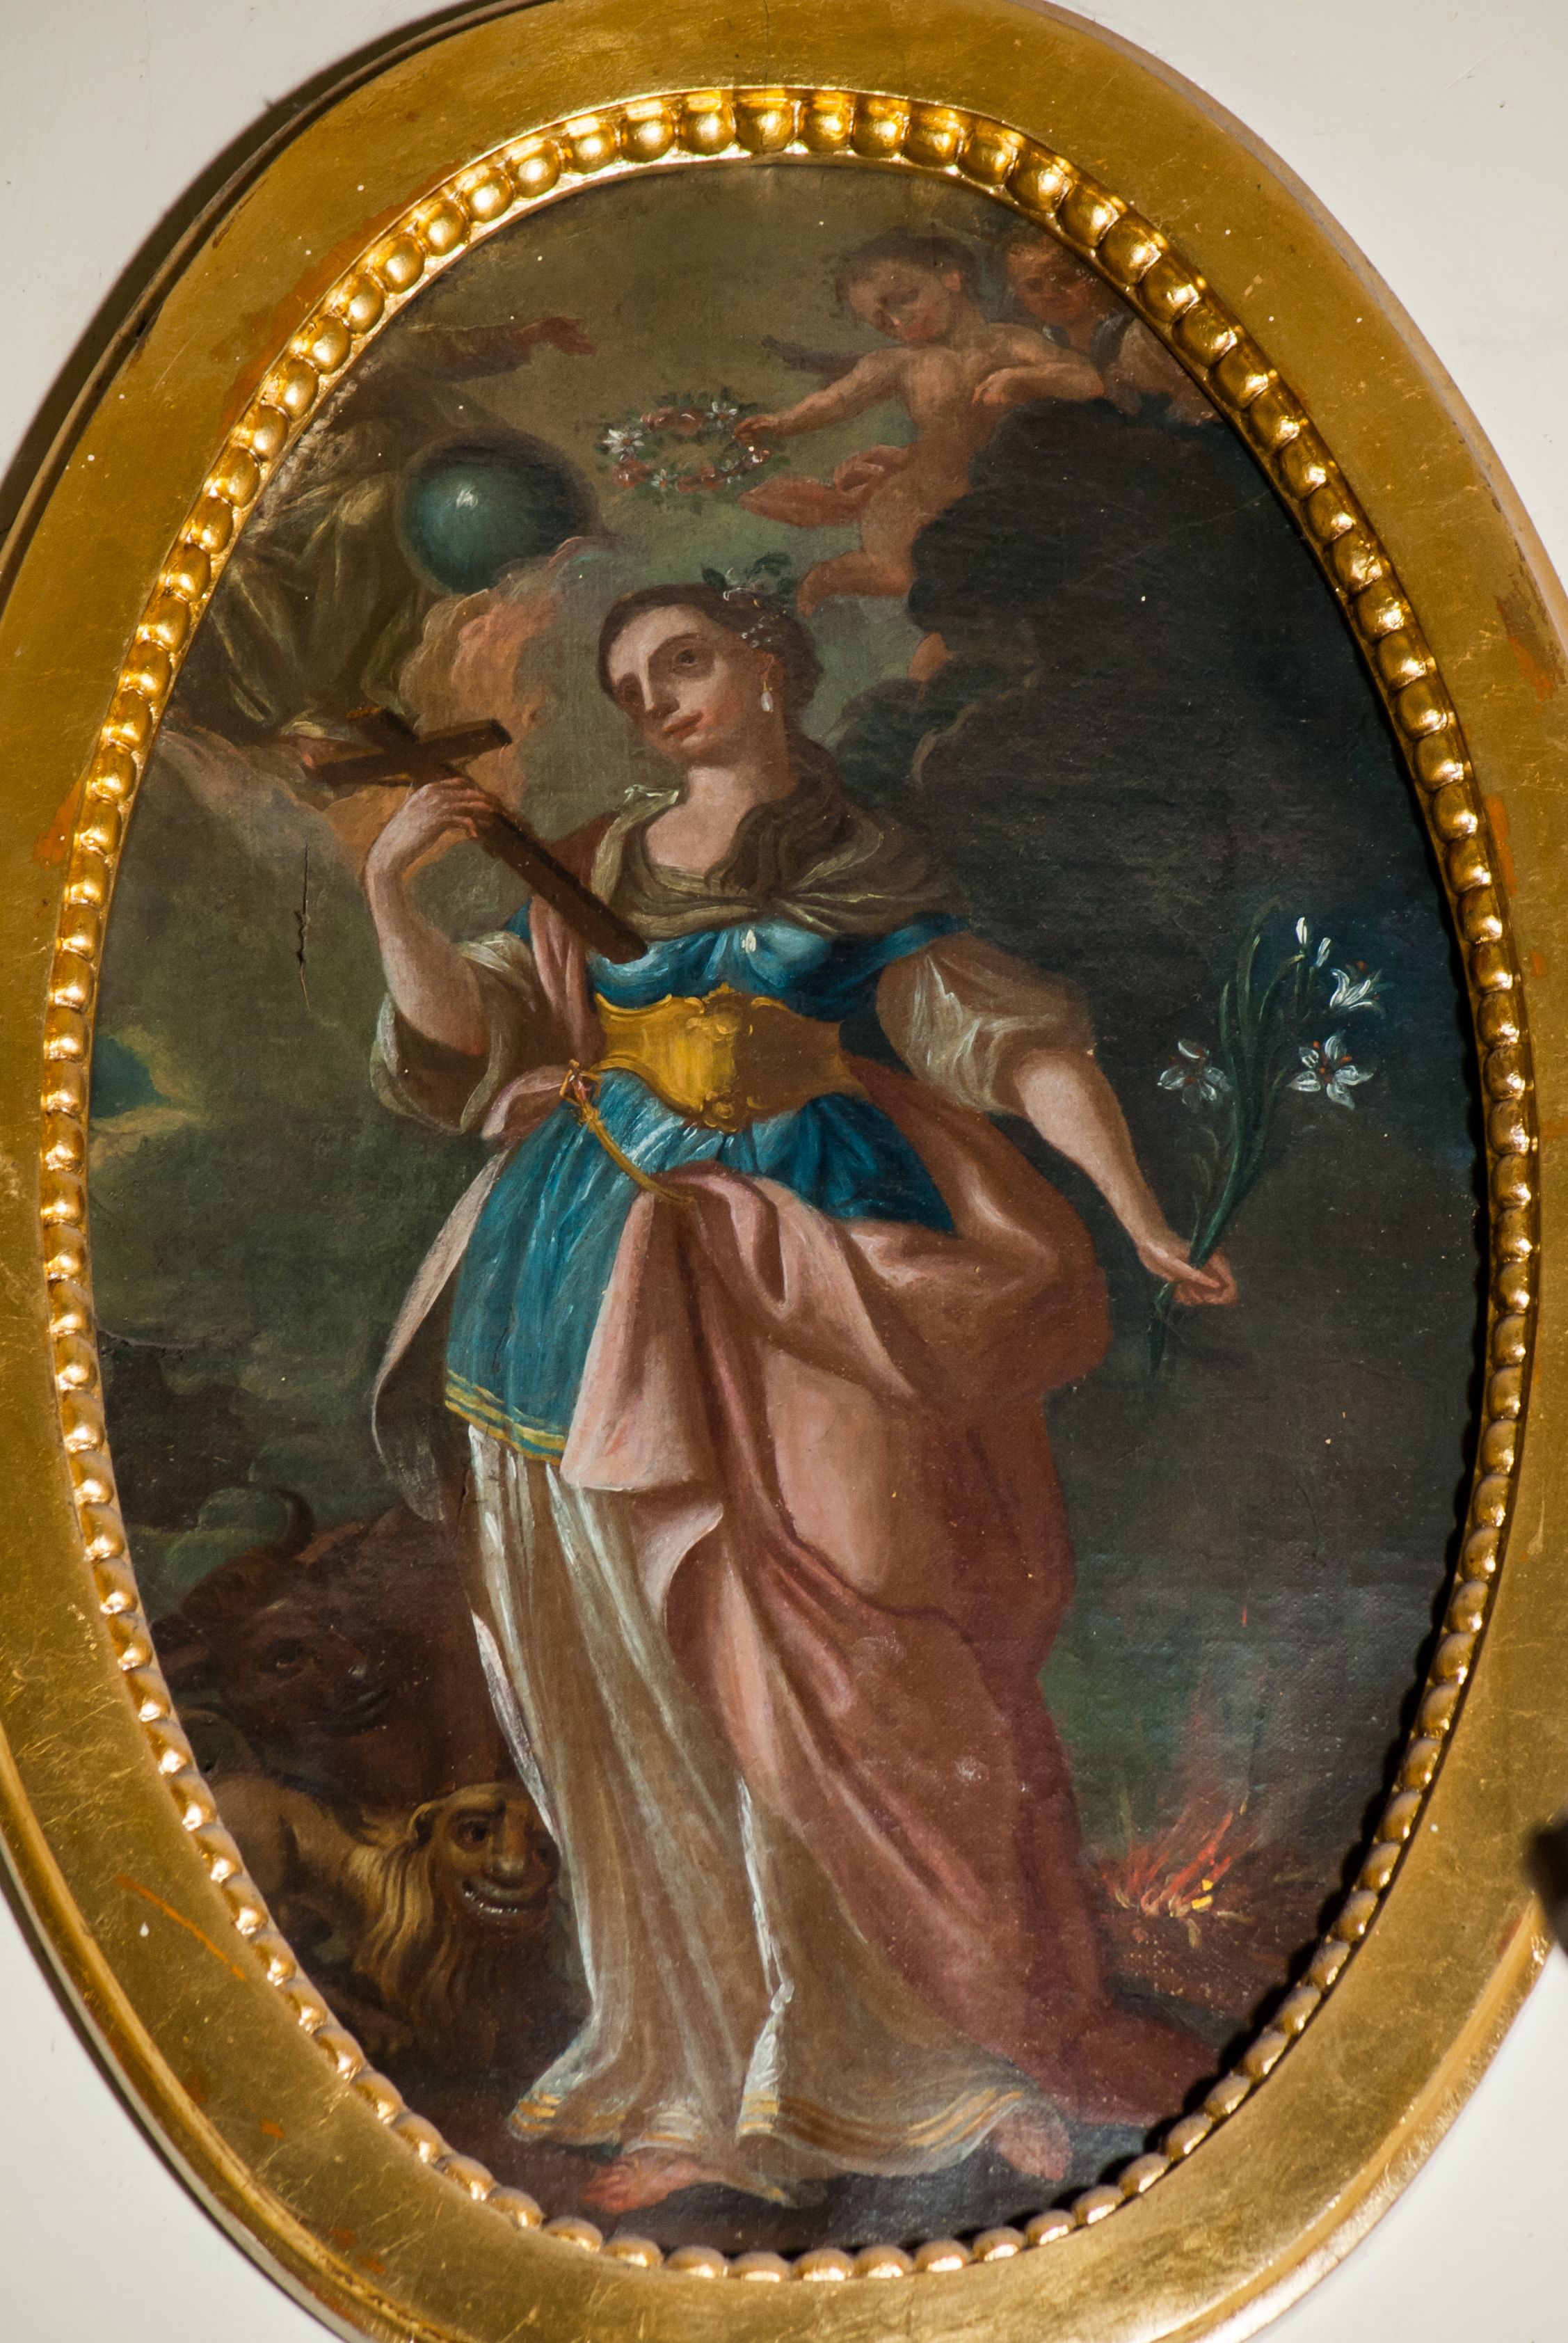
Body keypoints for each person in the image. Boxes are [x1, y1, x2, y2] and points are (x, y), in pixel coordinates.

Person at [364, 582, 1235, 2215]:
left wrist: (1134, 1214)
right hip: (577, 1280)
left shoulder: (867, 865)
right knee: (630, 1682)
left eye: (683, 660)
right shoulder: (591, 865)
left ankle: (932, 2060)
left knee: (850, 1665)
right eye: (628, 680)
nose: (653, 699)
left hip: (807, 1281)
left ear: (768, 664)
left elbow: (1013, 1045)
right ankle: (694, 2076)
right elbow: (463, 1039)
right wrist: (387, 890)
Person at [733, 230, 1100, 612]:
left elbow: (1087, 379)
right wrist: (782, 423)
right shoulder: (899, 364)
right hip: (924, 486)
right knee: (893, 570)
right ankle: (827, 578)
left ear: (951, 278)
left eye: (904, 299)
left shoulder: (1010, 342)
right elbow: (837, 401)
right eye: (883, 322)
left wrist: (1025, 379)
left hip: (1005, 483)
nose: (898, 321)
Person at [989, 227, 1215, 424]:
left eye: (1066, 278)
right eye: (1034, 286)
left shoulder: (1141, 339)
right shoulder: (1047, 341)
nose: (1050, 294)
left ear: (1095, 276)